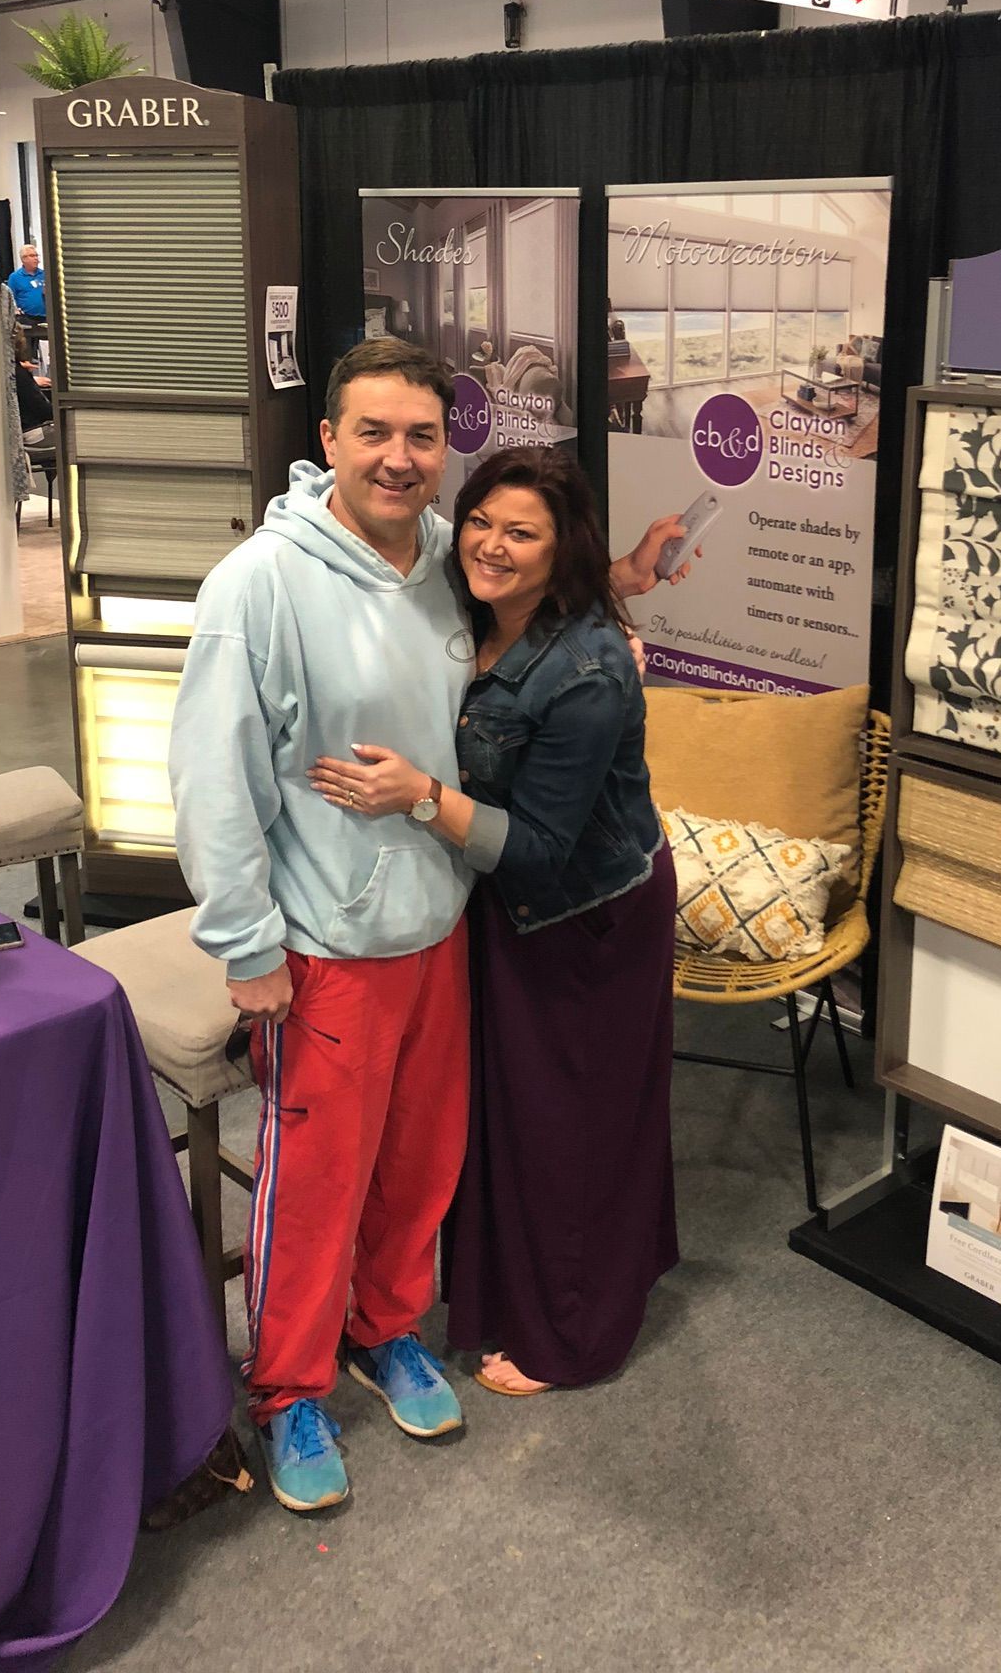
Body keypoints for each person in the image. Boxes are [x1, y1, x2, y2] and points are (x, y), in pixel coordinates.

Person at [168, 339, 693, 1513]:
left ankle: (387, 1326)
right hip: (324, 944)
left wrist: (628, 594)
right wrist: (246, 947)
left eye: (420, 436)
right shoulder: (257, 585)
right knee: (316, 1179)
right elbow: (213, 779)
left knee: (419, 1162)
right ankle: (290, 1385)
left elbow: (544, 582)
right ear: (329, 442)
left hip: (447, 926)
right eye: (374, 433)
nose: (399, 458)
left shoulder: (450, 559)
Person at [310, 447, 679, 1398]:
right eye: (481, 523)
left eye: (523, 534)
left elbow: (544, 847)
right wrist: (634, 573)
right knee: (511, 1121)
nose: (491, 546)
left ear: (561, 553)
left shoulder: (588, 669)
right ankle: (512, 1298)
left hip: (585, 916)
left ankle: (576, 1339)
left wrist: (419, 795)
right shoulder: (469, 603)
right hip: (503, 908)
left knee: (573, 1131)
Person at [7, 243, 46, 321]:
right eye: (32, 256)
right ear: (23, 259)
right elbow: (10, 299)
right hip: (27, 319)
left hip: (47, 317)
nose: (36, 258)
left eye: (36, 255)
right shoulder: (15, 277)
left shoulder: (45, 274)